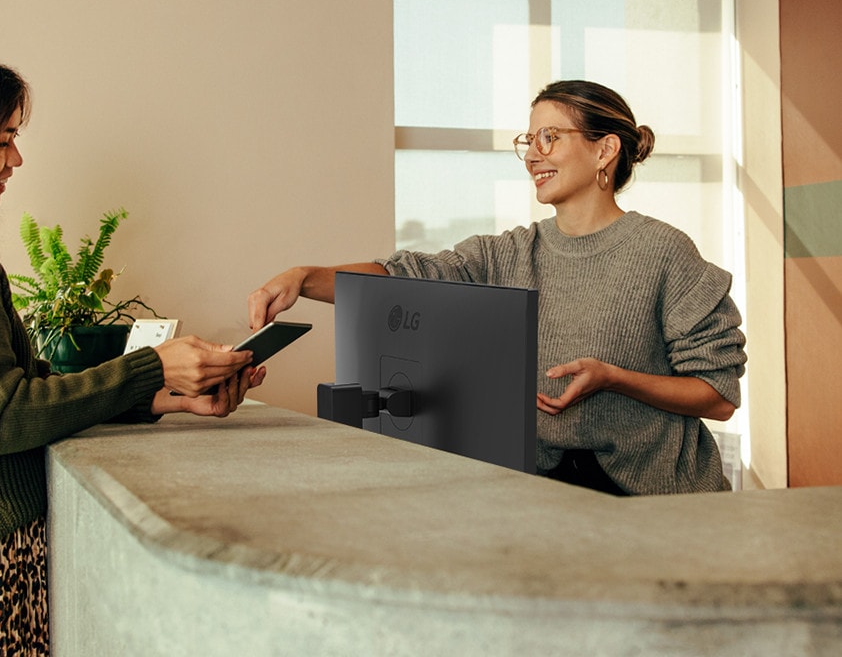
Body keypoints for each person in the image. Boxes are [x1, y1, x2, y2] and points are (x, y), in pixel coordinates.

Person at [0, 45, 264, 655]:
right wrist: (152, 365)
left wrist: (165, 397)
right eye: (3, 139)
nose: (17, 158)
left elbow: (20, 389)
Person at [249, 79, 746, 497]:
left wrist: (614, 378)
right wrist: (305, 277)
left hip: (657, 502)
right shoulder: (510, 252)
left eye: (549, 137)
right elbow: (406, 276)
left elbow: (717, 396)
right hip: (543, 490)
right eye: (527, 141)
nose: (532, 155)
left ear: (605, 149)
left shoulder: (664, 252)